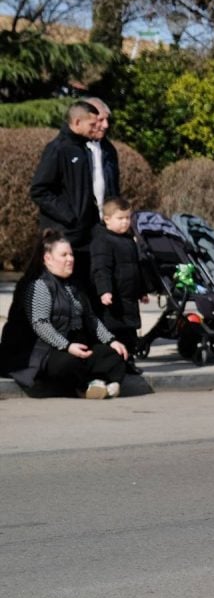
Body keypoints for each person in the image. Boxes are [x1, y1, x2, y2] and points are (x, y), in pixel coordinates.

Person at [2, 229, 130, 397]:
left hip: (74, 347)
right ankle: (92, 384)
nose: (70, 259)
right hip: (42, 352)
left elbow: (91, 319)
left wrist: (111, 341)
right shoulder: (38, 284)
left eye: (71, 255)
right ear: (48, 259)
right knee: (67, 364)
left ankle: (95, 384)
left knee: (114, 355)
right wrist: (67, 346)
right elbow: (40, 324)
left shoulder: (74, 285)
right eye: (64, 255)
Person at [30, 100, 120, 291]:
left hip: (89, 234)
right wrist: (70, 217)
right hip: (66, 233)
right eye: (93, 124)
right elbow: (40, 190)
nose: (99, 127)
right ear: (77, 122)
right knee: (61, 292)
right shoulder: (58, 149)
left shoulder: (88, 149)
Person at [91, 196, 148, 357]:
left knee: (129, 333)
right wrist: (104, 290)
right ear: (107, 219)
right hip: (113, 299)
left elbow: (137, 268)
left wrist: (142, 291)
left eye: (128, 218)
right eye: (120, 218)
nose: (125, 222)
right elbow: (101, 268)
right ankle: (114, 360)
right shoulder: (102, 241)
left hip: (129, 297)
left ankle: (128, 360)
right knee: (114, 331)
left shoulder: (129, 240)